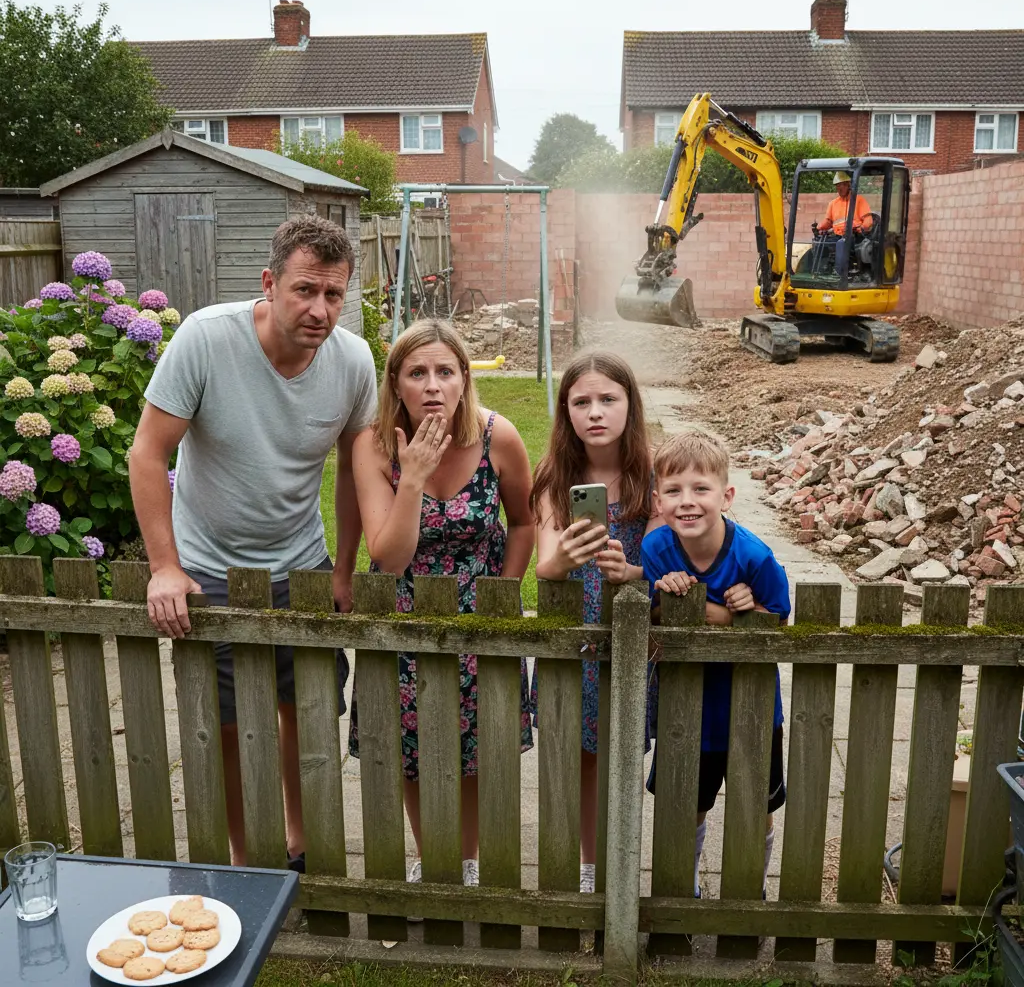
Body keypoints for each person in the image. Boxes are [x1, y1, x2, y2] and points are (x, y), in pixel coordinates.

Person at [130, 214, 377, 869]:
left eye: (333, 295)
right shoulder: (206, 340)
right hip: (211, 568)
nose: (320, 309)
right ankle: (246, 858)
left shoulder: (353, 363)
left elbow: (357, 475)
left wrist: (344, 568)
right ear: (269, 284)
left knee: (309, 714)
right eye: (304, 290)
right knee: (231, 729)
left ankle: (299, 846)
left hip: (303, 563)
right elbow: (148, 453)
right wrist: (164, 567)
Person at [348, 319, 535, 888]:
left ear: (463, 381)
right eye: (417, 373)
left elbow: (525, 521)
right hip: (404, 618)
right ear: (396, 384)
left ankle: (469, 859)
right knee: (410, 747)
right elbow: (390, 557)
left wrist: (502, 593)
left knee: (476, 745)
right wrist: (412, 479)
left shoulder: (498, 437)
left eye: (445, 372)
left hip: (480, 620)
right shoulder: (373, 445)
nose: (432, 385)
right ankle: (432, 856)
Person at [530, 351, 660, 894]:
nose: (595, 412)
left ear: (631, 405)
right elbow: (543, 566)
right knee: (583, 758)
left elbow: (665, 561)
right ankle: (589, 866)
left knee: (628, 753)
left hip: (636, 644)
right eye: (581, 402)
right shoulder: (554, 479)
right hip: (576, 642)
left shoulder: (651, 477)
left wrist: (630, 571)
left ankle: (622, 854)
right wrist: (566, 554)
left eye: (609, 399)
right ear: (566, 412)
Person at [641, 429, 790, 899]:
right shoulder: (656, 551)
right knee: (687, 805)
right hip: (686, 711)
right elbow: (648, 620)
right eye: (673, 490)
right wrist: (664, 600)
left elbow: (778, 623)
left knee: (755, 806)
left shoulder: (754, 556)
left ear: (726, 496)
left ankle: (751, 888)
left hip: (751, 710)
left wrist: (735, 613)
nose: (687, 501)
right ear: (658, 500)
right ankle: (685, 891)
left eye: (700, 489)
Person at [816, 171, 873, 275]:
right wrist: (819, 227)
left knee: (841, 244)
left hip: (855, 236)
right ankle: (820, 271)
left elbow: (868, 221)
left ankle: (839, 274)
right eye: (837, 186)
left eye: (841, 185)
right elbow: (828, 221)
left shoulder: (858, 200)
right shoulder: (833, 203)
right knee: (818, 242)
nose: (839, 188)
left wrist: (860, 227)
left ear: (848, 184)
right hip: (838, 235)